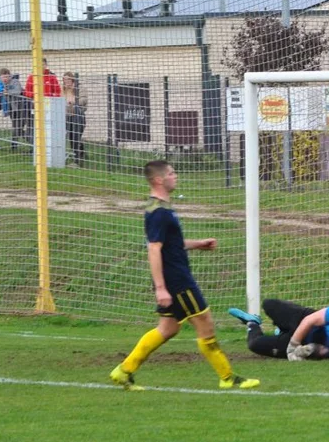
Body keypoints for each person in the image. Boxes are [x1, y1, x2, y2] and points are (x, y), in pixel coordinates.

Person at [110, 160, 260, 391]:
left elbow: (171, 244)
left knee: (168, 328)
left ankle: (124, 370)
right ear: (159, 180)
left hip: (174, 277)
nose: (175, 175)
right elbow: (154, 248)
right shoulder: (159, 213)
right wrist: (161, 287)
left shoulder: (161, 209)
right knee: (205, 322)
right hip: (177, 280)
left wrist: (197, 244)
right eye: (171, 173)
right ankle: (227, 378)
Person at [229, 300, 329, 361]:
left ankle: (252, 322)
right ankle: (283, 330)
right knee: (269, 304)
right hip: (306, 321)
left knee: (254, 345)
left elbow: (321, 352)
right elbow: (309, 320)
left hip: (310, 340)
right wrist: (292, 348)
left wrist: (311, 351)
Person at [0, 69, 26, 150]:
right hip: (11, 109)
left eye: (6, 77)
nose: (5, 79)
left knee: (18, 127)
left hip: (21, 107)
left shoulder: (15, 81)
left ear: (9, 76)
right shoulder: (0, 83)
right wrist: (2, 90)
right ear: (0, 77)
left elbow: (17, 91)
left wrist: (7, 91)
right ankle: (14, 145)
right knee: (15, 127)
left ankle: (32, 143)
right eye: (3, 77)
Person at [62, 72, 88, 165]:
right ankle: (78, 156)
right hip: (67, 116)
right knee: (71, 137)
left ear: (73, 80)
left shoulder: (80, 88)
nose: (66, 82)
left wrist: (74, 101)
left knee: (76, 137)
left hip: (78, 116)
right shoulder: (63, 90)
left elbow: (84, 100)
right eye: (64, 79)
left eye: (68, 79)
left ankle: (77, 160)